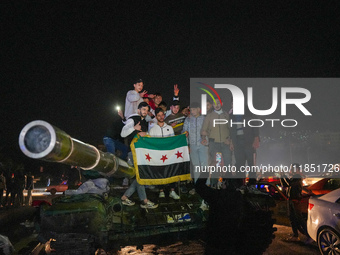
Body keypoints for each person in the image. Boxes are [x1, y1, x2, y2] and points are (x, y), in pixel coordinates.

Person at [120, 102, 158, 209]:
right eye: (143, 110)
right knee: (140, 175)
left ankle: (125, 197)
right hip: (132, 152)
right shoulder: (133, 119)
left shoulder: (144, 121)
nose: (145, 112)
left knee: (139, 176)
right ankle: (144, 201)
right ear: (138, 110)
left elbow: (154, 121)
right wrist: (134, 128)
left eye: (146, 110)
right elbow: (123, 133)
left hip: (140, 152)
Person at [149, 108, 180, 199]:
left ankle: (172, 191)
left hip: (169, 154)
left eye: (162, 115)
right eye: (159, 115)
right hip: (158, 155)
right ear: (156, 116)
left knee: (172, 171)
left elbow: (173, 140)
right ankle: (161, 190)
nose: (161, 117)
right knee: (159, 172)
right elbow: (151, 143)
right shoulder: (153, 129)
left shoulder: (169, 128)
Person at [201, 99, 232, 188]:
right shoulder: (209, 116)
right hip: (213, 143)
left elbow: (231, 130)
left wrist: (229, 139)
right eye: (214, 104)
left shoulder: (227, 115)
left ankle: (227, 184)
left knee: (228, 163)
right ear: (212, 106)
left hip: (225, 143)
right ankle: (214, 184)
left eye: (218, 103)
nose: (216, 105)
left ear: (221, 104)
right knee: (214, 164)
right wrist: (204, 138)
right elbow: (204, 130)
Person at [230, 105, 260, 191]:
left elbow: (255, 123)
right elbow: (231, 129)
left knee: (251, 164)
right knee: (239, 165)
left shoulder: (249, 111)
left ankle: (252, 185)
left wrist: (256, 138)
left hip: (249, 141)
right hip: (237, 142)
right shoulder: (231, 114)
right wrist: (231, 141)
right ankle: (240, 185)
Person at [280, 163, 310, 242]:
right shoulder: (293, 177)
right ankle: (295, 235)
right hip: (290, 199)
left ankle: (309, 235)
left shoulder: (298, 176)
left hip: (295, 200)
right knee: (292, 217)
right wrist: (281, 176)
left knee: (299, 218)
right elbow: (285, 185)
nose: (290, 170)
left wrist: (283, 175)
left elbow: (289, 183)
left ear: (296, 169)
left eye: (292, 168)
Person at [182, 102, 208, 183]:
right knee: (196, 166)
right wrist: (187, 145)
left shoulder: (204, 119)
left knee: (204, 165)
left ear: (198, 109)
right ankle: (198, 184)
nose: (192, 111)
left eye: (193, 109)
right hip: (192, 145)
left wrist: (206, 140)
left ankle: (207, 184)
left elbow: (209, 131)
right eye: (191, 110)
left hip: (203, 145)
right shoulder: (188, 120)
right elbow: (184, 132)